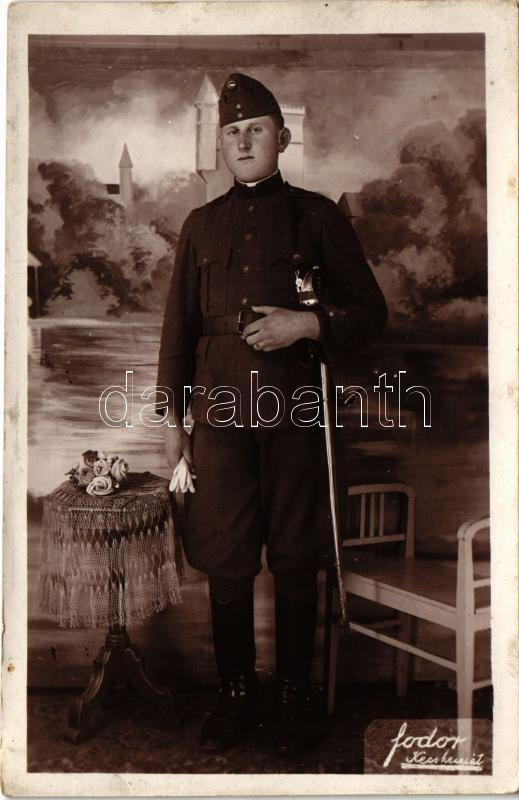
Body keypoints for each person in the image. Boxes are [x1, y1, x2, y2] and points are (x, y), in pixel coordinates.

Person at [156, 72, 387, 756]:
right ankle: (235, 693)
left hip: (297, 414)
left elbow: (370, 312)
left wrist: (307, 325)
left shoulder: (319, 217)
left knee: (295, 556)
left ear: (281, 139)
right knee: (226, 556)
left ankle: (293, 695)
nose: (242, 141)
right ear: (220, 143)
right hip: (219, 415)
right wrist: (173, 422)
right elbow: (177, 331)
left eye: (255, 129)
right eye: (231, 131)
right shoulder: (200, 226)